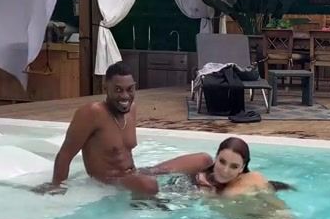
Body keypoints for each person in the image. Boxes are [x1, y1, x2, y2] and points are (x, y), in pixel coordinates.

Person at [34, 61, 213, 200]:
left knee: (204, 160)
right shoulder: (91, 113)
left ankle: (192, 190)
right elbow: (66, 153)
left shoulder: (131, 109)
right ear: (106, 88)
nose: (125, 96)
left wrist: (144, 174)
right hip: (112, 181)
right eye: (118, 90)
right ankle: (168, 196)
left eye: (130, 89)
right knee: (149, 185)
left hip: (136, 173)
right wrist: (56, 185)